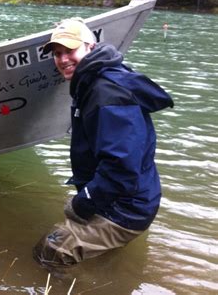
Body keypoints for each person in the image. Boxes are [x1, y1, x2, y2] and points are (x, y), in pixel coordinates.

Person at [33, 18, 174, 269]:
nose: (63, 59)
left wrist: (83, 202)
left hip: (126, 209)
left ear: (90, 46)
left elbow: (120, 166)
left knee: (52, 248)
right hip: (127, 197)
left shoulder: (106, 93)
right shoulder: (94, 79)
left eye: (70, 51)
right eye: (57, 54)